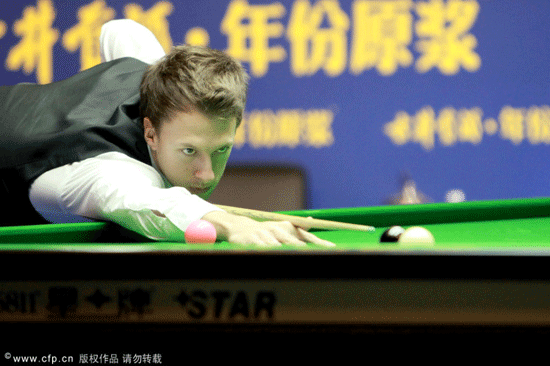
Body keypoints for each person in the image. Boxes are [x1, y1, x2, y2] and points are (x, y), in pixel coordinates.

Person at [0, 19, 334, 248]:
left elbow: (120, 29)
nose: (206, 174)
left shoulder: (155, 76)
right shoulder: (105, 172)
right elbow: (141, 202)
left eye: (220, 150)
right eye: (189, 151)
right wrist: (229, 223)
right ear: (151, 134)